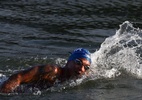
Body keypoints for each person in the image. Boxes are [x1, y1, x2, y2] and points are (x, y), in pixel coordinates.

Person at [0, 48, 92, 93]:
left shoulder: (79, 77)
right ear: (69, 61)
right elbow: (18, 77)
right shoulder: (52, 71)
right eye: (78, 62)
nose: (81, 68)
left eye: (86, 67)